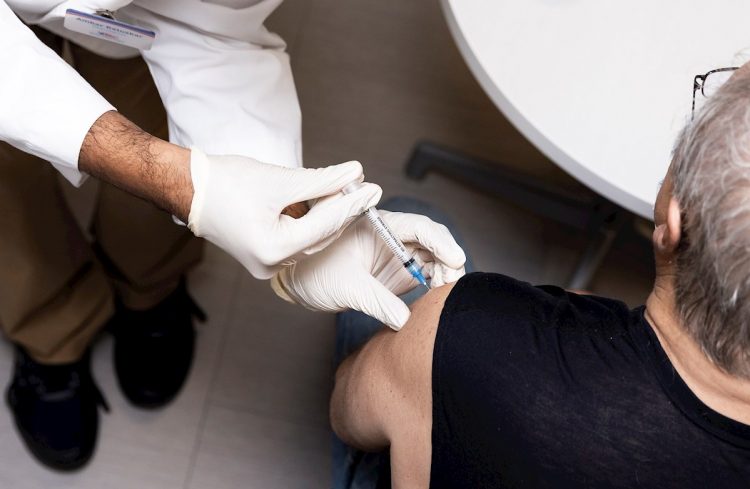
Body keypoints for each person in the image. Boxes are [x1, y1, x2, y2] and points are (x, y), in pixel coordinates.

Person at [0, 0, 464, 470]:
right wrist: (182, 182)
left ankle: (151, 290)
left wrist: (298, 230)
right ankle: (52, 331)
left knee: (149, 116)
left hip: (127, 23)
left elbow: (215, 35)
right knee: (9, 197)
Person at [322, 64, 750, 487]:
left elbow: (347, 415)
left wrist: (443, 324)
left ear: (674, 224)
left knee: (409, 230)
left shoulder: (470, 331)